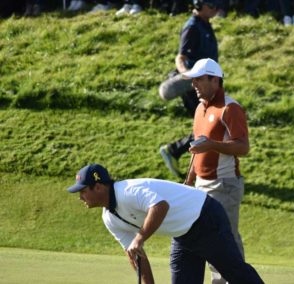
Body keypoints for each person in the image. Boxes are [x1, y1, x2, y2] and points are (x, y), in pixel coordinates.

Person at [67, 163, 264, 284]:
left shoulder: (128, 191)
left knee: (236, 273)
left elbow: (160, 206)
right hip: (182, 235)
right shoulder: (109, 217)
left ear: (99, 187)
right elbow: (135, 254)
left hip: (205, 216)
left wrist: (140, 237)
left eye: (83, 191)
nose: (81, 197)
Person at [183, 58, 250, 284]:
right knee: (213, 238)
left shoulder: (230, 108)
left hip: (224, 184)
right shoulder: (200, 108)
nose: (194, 85)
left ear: (215, 80)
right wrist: (189, 182)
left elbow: (243, 147)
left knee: (224, 240)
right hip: (202, 185)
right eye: (193, 80)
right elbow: (197, 150)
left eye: (200, 79)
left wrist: (211, 144)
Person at [158, 0, 219, 177]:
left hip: (206, 83)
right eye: (211, 5)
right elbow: (181, 57)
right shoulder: (192, 27)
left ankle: (179, 153)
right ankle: (175, 152)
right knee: (209, 125)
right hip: (192, 84)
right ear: (199, 5)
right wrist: (187, 74)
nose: (215, 9)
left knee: (209, 126)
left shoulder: (205, 24)